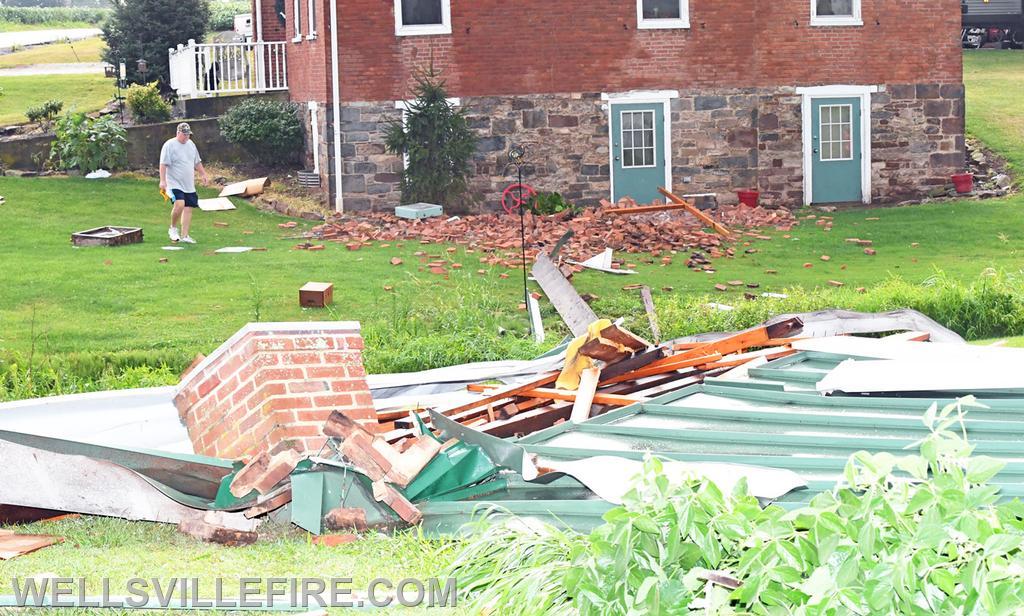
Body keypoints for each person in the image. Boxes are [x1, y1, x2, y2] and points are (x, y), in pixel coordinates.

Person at [159, 122, 210, 244]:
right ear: (178, 133)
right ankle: (173, 228)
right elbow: (163, 164)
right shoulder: (169, 145)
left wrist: (203, 174)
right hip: (174, 182)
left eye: (188, 135)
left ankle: (185, 235)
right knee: (180, 204)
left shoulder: (191, 145)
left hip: (188, 184)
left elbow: (196, 162)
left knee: (188, 207)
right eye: (184, 134)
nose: (186, 137)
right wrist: (162, 180)